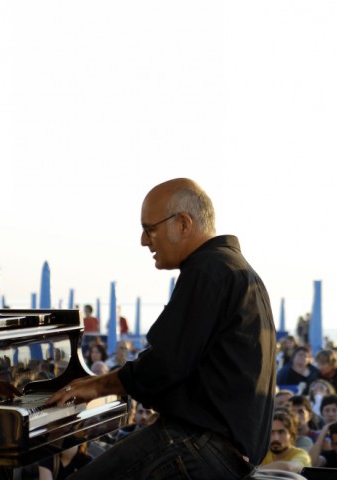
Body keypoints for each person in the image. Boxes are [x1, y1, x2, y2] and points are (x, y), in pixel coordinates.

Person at [46, 178, 276, 479]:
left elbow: (165, 364)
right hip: (230, 454)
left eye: (149, 228)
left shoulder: (208, 270)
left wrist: (97, 386)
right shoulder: (235, 268)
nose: (144, 240)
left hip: (201, 445)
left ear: (183, 223)